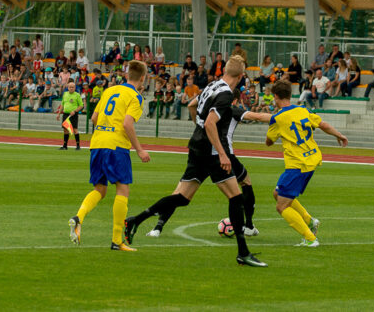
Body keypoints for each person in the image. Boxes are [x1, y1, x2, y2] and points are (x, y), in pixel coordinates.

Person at [122, 56, 266, 267]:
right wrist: (223, 154)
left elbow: (194, 107)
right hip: (211, 151)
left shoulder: (212, 84)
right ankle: (243, 253)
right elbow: (210, 124)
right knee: (236, 198)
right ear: (242, 76)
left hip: (197, 146)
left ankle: (135, 220)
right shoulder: (226, 93)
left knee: (182, 197)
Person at [130, 100, 273, 238]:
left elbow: (191, 105)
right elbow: (258, 116)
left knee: (179, 195)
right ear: (234, 100)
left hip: (200, 153)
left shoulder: (207, 108)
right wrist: (282, 117)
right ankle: (247, 228)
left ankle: (156, 228)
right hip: (222, 155)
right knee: (241, 188)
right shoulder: (231, 109)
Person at [68, 60, 150, 252]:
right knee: (122, 190)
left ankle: (78, 218)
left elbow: (94, 118)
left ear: (127, 74)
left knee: (100, 189)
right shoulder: (135, 97)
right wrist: (139, 149)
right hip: (116, 146)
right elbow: (127, 124)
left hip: (97, 143)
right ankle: (116, 240)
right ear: (143, 78)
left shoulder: (109, 91)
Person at [266, 80, 348, 248]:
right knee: (277, 193)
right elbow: (322, 124)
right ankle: (310, 221)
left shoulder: (278, 118)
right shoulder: (303, 110)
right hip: (311, 160)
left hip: (297, 165)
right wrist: (339, 135)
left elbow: (268, 142)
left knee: (281, 206)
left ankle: (310, 237)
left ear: (275, 97)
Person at [57, 81, 84, 150]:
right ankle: (65, 146)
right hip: (66, 114)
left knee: (75, 129)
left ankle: (78, 146)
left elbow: (81, 105)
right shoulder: (65, 94)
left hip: (74, 115)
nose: (71, 88)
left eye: (72, 87)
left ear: (75, 88)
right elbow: (62, 104)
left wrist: (75, 111)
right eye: (70, 87)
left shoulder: (77, 95)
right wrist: (59, 114)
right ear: (67, 88)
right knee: (65, 130)